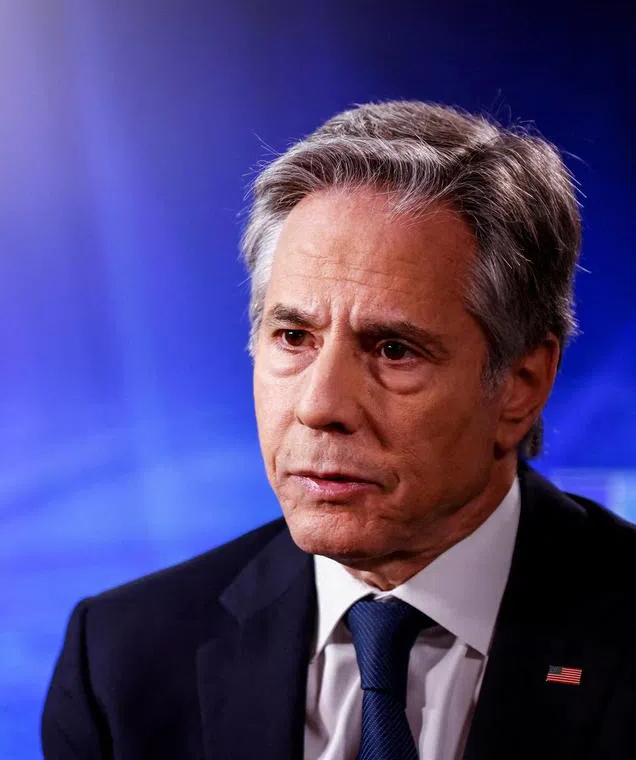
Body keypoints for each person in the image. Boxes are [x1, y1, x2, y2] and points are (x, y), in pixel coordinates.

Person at [40, 100, 636, 760]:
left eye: (393, 350)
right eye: (293, 337)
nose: (321, 406)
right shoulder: (122, 662)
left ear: (521, 386)